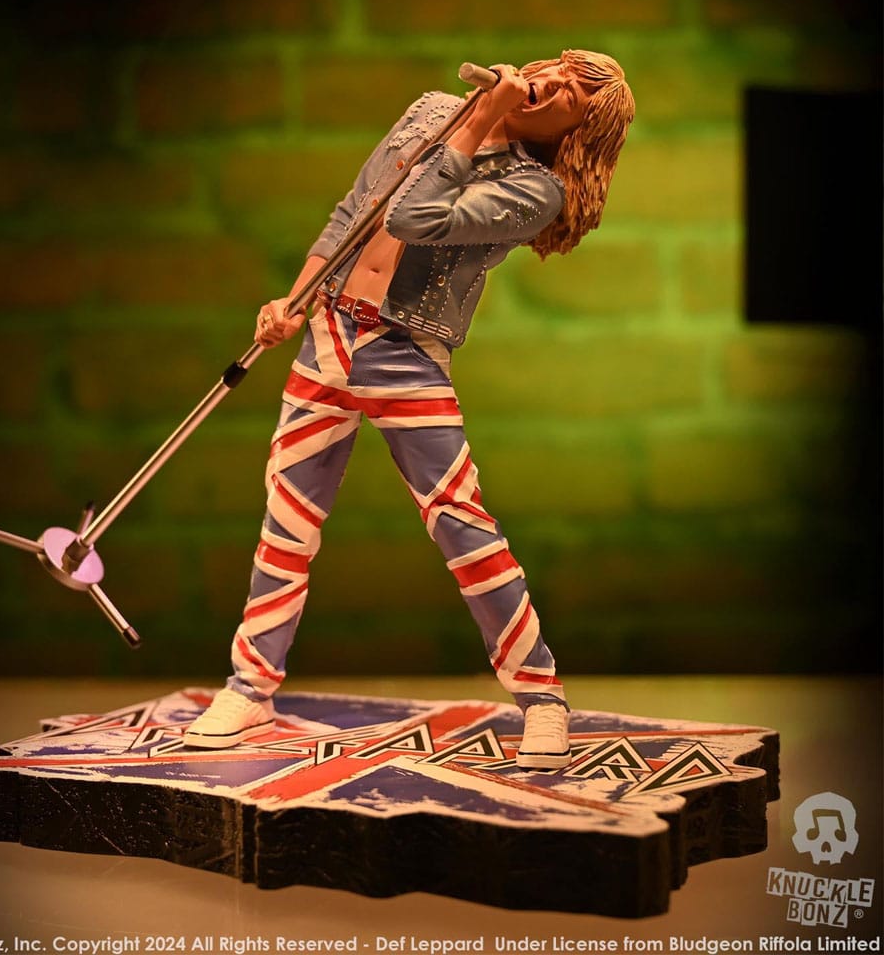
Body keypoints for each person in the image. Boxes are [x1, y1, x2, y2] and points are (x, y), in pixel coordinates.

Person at [185, 52, 635, 769]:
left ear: (572, 133)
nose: (549, 83)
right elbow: (354, 212)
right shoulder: (428, 111)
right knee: (287, 519)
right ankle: (250, 686)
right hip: (330, 333)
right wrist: (293, 300)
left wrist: (479, 121)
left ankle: (542, 696)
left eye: (570, 98)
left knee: (460, 523)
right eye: (557, 67)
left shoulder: (536, 188)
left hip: (404, 353)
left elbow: (414, 216)